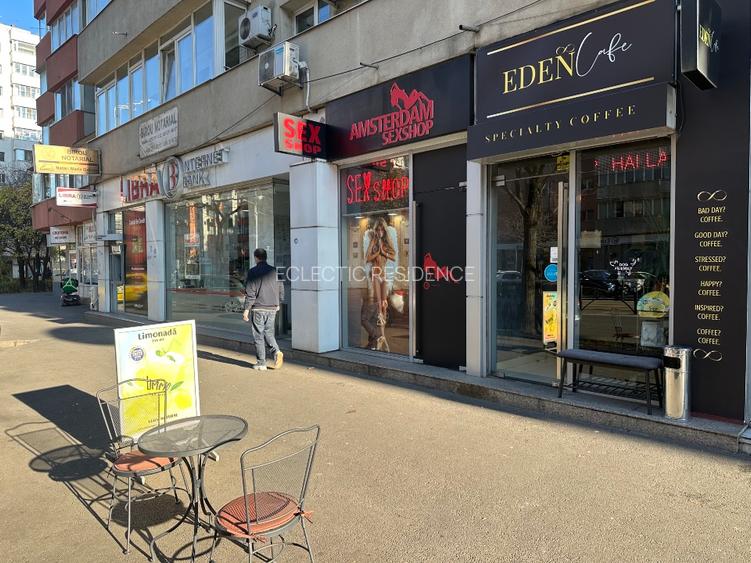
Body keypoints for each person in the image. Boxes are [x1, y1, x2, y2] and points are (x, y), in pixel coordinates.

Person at [242, 248, 284, 371]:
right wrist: (278, 303)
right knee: (269, 332)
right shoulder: (276, 271)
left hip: (258, 308)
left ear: (256, 258)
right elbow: (281, 289)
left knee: (258, 335)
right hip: (272, 308)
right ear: (266, 257)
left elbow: (250, 292)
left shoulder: (252, 272)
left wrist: (246, 309)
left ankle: (261, 363)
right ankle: (276, 352)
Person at [365, 217, 396, 326]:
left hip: (383, 274)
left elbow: (394, 257)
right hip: (375, 273)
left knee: (384, 301)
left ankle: (383, 322)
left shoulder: (386, 243)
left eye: (382, 229)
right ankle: (381, 321)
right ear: (375, 230)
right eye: (378, 229)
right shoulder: (373, 242)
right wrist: (377, 252)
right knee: (379, 302)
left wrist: (383, 252)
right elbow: (367, 258)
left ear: (384, 230)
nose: (380, 232)